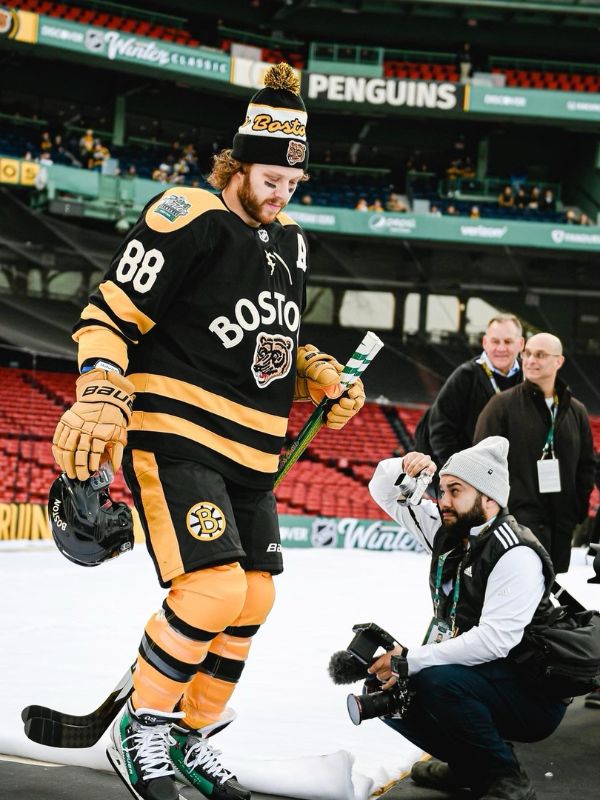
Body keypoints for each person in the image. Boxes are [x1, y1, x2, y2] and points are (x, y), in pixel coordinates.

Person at [51, 63, 365, 800]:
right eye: (271, 178)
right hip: (180, 432)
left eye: (292, 183)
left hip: (255, 449)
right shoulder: (184, 214)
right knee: (215, 591)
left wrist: (317, 371)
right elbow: (108, 314)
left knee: (255, 599)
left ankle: (191, 734)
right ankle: (144, 730)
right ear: (239, 163)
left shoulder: (292, 242)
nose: (282, 192)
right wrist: (100, 388)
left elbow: (276, 344)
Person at [368, 437, 568, 800]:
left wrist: (409, 660)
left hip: (532, 692)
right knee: (386, 692)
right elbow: (382, 490)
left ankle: (507, 779)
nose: (442, 500)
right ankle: (468, 764)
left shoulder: (515, 552)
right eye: (441, 489)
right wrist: (404, 466)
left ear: (489, 498)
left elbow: (495, 641)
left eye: (454, 491)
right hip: (483, 675)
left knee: (431, 680)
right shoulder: (449, 530)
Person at [474, 332, 594, 574]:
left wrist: (575, 511)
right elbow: (480, 464)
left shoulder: (577, 411)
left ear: (558, 361)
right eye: (526, 353)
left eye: (540, 355)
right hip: (514, 526)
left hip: (560, 525)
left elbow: (586, 466)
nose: (530, 360)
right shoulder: (501, 405)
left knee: (547, 595)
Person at [417, 314, 524, 468]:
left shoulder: (530, 377)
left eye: (508, 342)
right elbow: (441, 430)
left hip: (509, 475)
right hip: (469, 474)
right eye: (495, 341)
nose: (501, 348)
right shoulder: (466, 376)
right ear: (485, 343)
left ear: (520, 344)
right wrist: (459, 471)